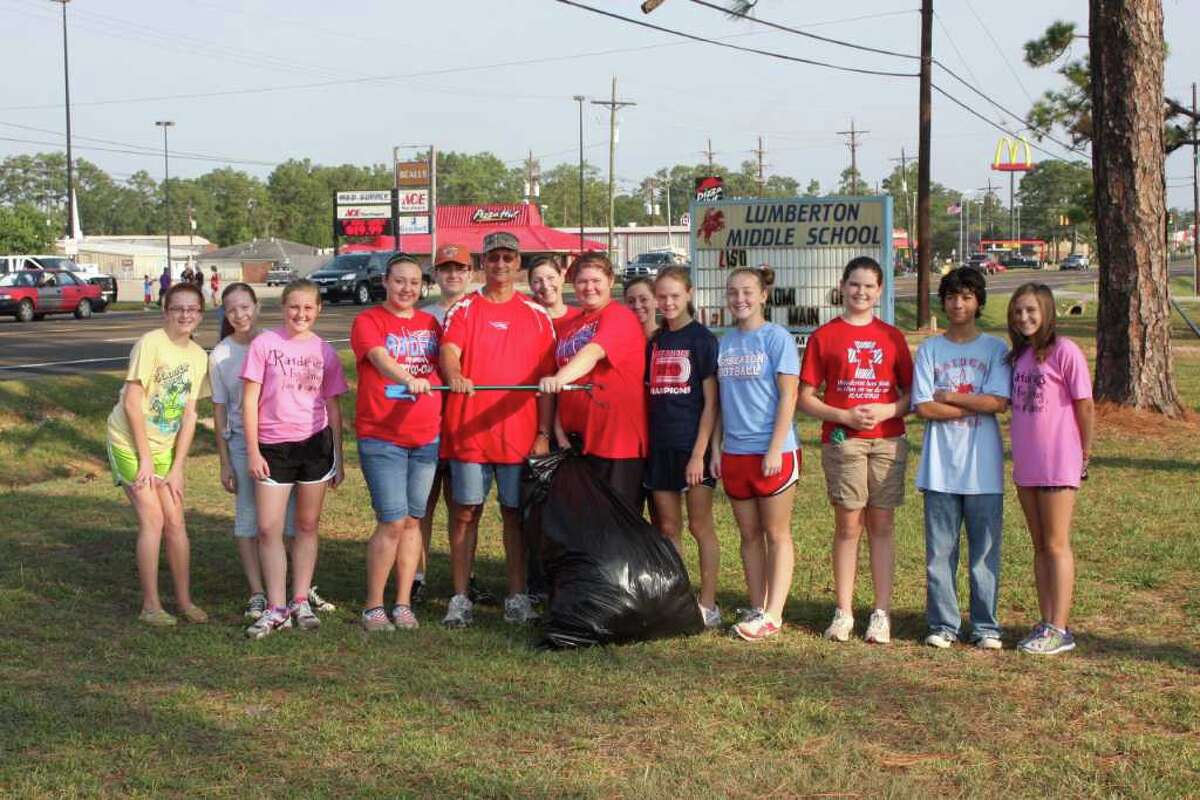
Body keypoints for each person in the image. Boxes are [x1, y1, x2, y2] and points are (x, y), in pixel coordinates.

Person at [440, 231, 555, 627]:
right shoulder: (465, 310)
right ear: (482, 264)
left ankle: (517, 596)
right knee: (465, 512)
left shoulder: (536, 315)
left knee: (514, 516)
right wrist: (454, 374)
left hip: (517, 437)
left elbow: (547, 381)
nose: (501, 265)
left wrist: (542, 433)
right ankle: (459, 597)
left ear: (518, 264)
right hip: (471, 433)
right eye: (493, 258)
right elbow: (449, 352)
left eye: (508, 258)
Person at [798, 256, 913, 645]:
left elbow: (913, 395)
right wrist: (842, 415)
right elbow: (806, 398)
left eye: (869, 286)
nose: (861, 292)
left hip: (887, 441)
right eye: (854, 284)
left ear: (879, 291)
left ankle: (881, 612)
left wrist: (888, 409)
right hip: (844, 443)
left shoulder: (892, 337)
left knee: (881, 525)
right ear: (843, 286)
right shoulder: (824, 337)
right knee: (848, 526)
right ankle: (844, 610)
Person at [211, 283, 328, 622]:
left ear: (258, 307)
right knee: (255, 522)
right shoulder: (223, 354)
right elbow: (223, 409)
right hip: (248, 443)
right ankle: (259, 594)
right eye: (232, 310)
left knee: (297, 523)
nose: (240, 315)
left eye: (245, 307)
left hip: (290, 442)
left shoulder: (279, 340)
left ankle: (299, 592)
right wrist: (230, 459)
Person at [241, 279, 349, 639]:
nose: (300, 314)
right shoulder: (264, 345)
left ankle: (300, 598)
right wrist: (254, 450)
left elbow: (333, 406)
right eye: (293, 307)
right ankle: (276, 607)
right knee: (268, 528)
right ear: (283, 308)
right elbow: (249, 401)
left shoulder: (325, 352)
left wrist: (339, 456)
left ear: (318, 310)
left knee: (306, 525)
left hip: (315, 445)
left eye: (308, 308)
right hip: (273, 447)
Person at [912, 269, 1010, 650]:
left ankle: (985, 626)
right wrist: (975, 404)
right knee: (940, 554)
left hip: (983, 471)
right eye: (952, 297)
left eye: (967, 297)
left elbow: (998, 402)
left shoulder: (995, 349)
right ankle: (943, 624)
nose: (958, 304)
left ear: (978, 302)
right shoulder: (931, 350)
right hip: (940, 469)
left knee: (984, 554)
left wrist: (950, 397)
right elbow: (923, 406)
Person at [105, 282, 211, 626]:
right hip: (129, 442)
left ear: (200, 315)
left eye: (192, 309)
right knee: (153, 519)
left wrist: (178, 466)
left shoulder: (198, 356)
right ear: (166, 311)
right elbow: (132, 403)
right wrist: (145, 458)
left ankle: (184, 601)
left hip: (165, 448)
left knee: (177, 522)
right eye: (178, 308)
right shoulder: (151, 344)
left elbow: (189, 414)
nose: (185, 315)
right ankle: (150, 606)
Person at [353, 255, 443, 633]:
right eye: (399, 281)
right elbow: (379, 358)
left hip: (425, 435)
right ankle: (374, 606)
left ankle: (403, 603)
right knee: (391, 520)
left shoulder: (430, 324)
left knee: (412, 521)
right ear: (385, 283)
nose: (407, 288)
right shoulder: (368, 321)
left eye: (413, 282)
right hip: (383, 436)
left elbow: (449, 364)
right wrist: (408, 378)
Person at [713, 267, 800, 642]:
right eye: (732, 292)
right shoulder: (725, 342)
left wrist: (774, 447)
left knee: (776, 533)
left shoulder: (776, 338)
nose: (740, 299)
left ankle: (774, 614)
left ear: (764, 295)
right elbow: (718, 402)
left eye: (747, 291)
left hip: (772, 452)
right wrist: (717, 448)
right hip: (734, 452)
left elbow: (789, 395)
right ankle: (756, 604)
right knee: (748, 535)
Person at [1007, 283, 1094, 655]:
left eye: (1031, 310)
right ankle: (1046, 622)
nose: (1024, 317)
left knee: (1057, 545)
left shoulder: (1065, 351)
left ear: (1046, 312)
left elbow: (1084, 405)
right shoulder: (1019, 357)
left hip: (1059, 461)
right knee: (1040, 546)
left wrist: (1084, 454)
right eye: (1017, 312)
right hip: (1027, 463)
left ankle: (1061, 628)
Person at [540, 251, 649, 509]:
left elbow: (593, 353)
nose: (589, 287)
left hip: (616, 443)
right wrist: (558, 428)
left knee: (616, 526)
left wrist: (558, 378)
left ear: (610, 281)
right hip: (577, 442)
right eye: (582, 281)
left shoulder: (619, 316)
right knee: (584, 523)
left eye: (596, 280)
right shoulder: (570, 326)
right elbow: (564, 380)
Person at [645, 266, 721, 628]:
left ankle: (708, 603)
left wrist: (699, 453)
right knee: (669, 528)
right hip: (660, 446)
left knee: (699, 526)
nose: (668, 302)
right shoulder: (656, 341)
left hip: (693, 447)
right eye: (662, 296)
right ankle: (679, 598)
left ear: (689, 294)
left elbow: (711, 404)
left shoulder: (702, 340)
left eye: (675, 295)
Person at [416, 242, 488, 606]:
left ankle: (467, 574)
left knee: (461, 504)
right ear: (436, 274)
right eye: (446, 269)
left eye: (460, 268)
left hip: (464, 421)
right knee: (422, 504)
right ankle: (417, 574)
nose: (453, 275)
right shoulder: (425, 316)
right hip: (427, 420)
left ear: (471, 273)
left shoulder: (478, 311)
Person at [529, 255, 581, 331]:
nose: (545, 286)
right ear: (531, 286)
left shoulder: (580, 317)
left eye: (550, 278)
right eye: (537, 281)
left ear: (562, 278)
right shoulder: (527, 321)